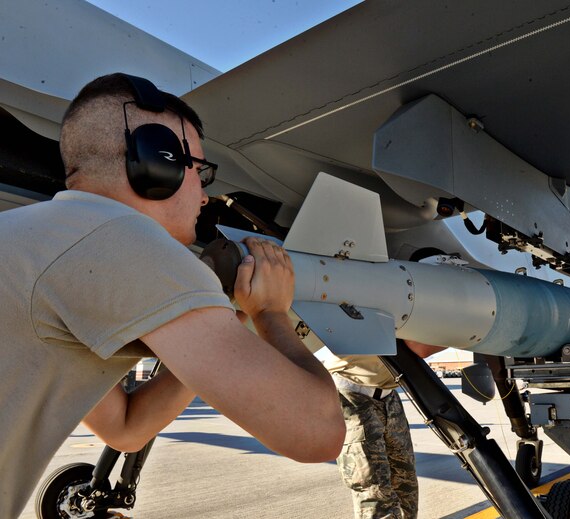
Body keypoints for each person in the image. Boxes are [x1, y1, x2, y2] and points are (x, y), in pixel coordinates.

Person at [0, 73, 345, 518]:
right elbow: (317, 434)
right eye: (200, 172)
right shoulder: (122, 239)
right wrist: (271, 312)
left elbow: (126, 429)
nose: (205, 196)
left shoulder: (30, 236)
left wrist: (226, 318)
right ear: (157, 162)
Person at [326, 340, 446, 519]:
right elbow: (421, 347)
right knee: (375, 495)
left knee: (406, 487)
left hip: (388, 395)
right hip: (351, 394)